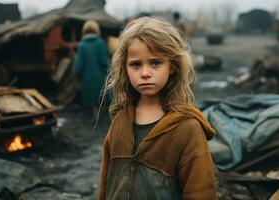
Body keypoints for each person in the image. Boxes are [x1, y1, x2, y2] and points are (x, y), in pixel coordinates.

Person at [98, 17, 216, 199]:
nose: (145, 73)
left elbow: (200, 193)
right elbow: (105, 186)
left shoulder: (186, 129)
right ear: (125, 68)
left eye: (155, 63)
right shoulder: (120, 121)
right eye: (136, 64)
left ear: (173, 66)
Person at [73, 20, 109, 116]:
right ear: (97, 30)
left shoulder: (82, 45)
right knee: (100, 98)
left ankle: (92, 116)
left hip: (86, 80)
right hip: (100, 78)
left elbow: (78, 66)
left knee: (89, 101)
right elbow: (105, 63)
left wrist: (76, 75)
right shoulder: (100, 43)